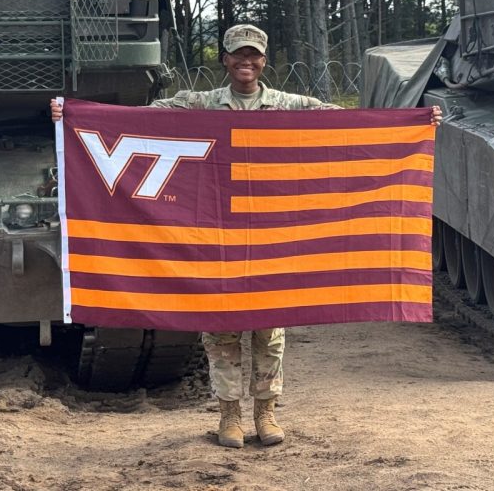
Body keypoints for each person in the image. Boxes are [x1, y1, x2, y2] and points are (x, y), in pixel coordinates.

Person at [51, 24, 443, 449]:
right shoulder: (199, 104)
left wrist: (415, 122)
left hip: (271, 239)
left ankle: (266, 412)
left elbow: (343, 122)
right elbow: (144, 117)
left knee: (269, 333)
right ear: (225, 59)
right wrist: (72, 116)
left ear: (263, 60)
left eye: (253, 54)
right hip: (217, 238)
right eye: (238, 54)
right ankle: (229, 416)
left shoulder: (287, 106)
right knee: (220, 332)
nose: (246, 62)